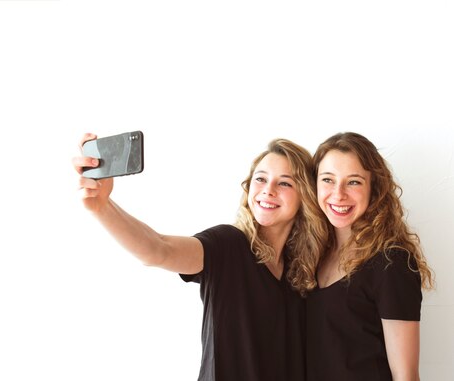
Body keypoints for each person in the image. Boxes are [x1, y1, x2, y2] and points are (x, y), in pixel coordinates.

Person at [73, 133, 327, 381]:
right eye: (260, 179)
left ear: (304, 195)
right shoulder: (228, 246)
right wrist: (102, 206)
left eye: (284, 183)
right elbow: (159, 249)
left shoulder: (301, 275)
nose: (268, 190)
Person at [306, 132, 435, 381]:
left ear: (374, 187)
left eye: (353, 182)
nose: (338, 193)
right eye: (328, 180)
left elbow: (406, 376)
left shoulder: (392, 262)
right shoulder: (311, 255)